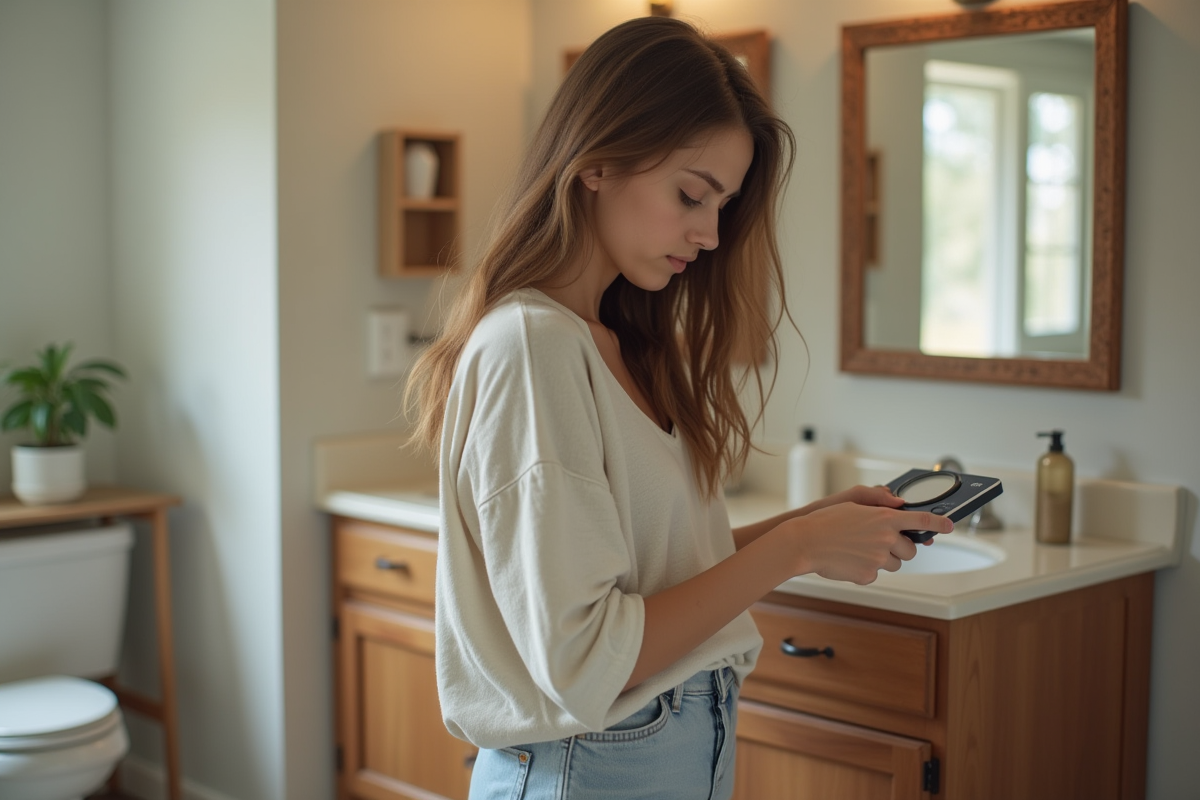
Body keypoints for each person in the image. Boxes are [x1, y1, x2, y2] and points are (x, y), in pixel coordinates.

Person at [403, 15, 951, 800]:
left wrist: (810, 525)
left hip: (671, 744)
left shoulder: (615, 342)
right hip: (592, 764)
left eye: (723, 205)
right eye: (691, 194)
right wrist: (795, 550)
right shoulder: (532, 346)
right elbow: (588, 657)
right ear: (597, 161)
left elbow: (653, 576)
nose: (710, 233)